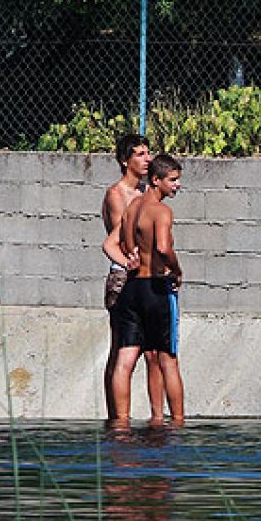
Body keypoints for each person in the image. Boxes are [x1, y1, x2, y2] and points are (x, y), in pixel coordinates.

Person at [109, 153, 186, 425]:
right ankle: (177, 423)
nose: (177, 185)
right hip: (155, 287)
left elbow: (120, 245)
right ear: (156, 180)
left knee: (125, 357)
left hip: (132, 288)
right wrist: (176, 270)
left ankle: (121, 422)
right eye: (173, 180)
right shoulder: (162, 211)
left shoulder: (132, 208)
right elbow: (163, 247)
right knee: (168, 360)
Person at [100, 133, 164, 420]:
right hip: (125, 275)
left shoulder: (144, 193)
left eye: (148, 153)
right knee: (121, 350)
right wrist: (132, 262)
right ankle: (116, 418)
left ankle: (156, 416)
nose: (147, 158)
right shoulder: (117, 194)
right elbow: (123, 237)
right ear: (125, 160)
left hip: (145, 276)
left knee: (151, 353)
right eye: (139, 154)